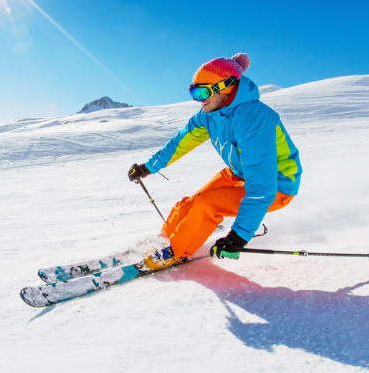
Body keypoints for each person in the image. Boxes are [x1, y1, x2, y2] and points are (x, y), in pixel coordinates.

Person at [128, 53, 302, 270]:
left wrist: (239, 235)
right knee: (190, 203)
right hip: (238, 174)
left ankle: (175, 252)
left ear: (225, 86)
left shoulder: (254, 118)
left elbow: (262, 185)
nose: (199, 100)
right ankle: (164, 240)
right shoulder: (209, 114)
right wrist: (148, 167)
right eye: (194, 93)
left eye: (202, 92)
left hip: (277, 185)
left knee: (206, 204)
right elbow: (181, 142)